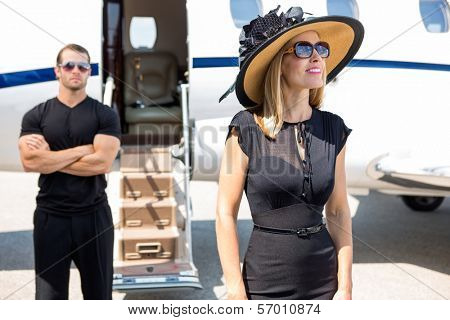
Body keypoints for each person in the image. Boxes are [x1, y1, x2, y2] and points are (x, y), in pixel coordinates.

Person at [216, 6, 364, 300]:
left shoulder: (335, 129)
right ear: (278, 64)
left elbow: (338, 211)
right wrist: (235, 291)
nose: (317, 56)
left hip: (324, 282)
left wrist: (345, 287)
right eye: (303, 48)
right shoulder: (244, 128)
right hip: (264, 282)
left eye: (321, 48)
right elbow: (224, 212)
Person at [18, 44, 121, 299]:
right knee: (49, 301)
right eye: (69, 65)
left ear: (89, 72)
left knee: (99, 298)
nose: (76, 70)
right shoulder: (36, 116)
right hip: (51, 218)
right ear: (57, 71)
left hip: (94, 218)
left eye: (83, 66)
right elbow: (30, 162)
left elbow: (102, 164)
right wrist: (82, 150)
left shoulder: (105, 115)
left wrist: (50, 156)